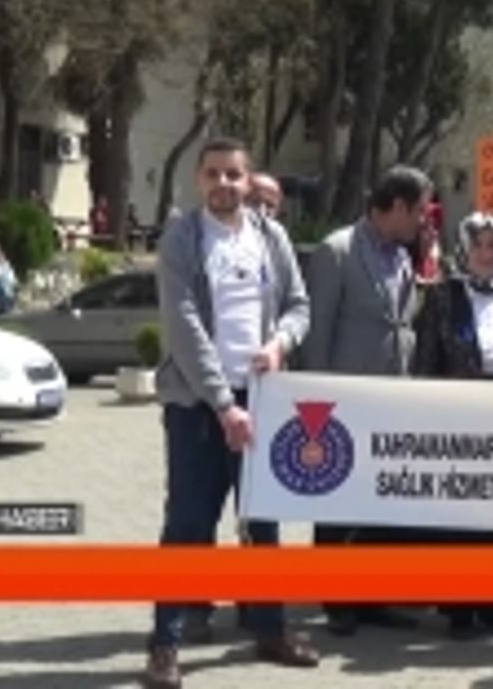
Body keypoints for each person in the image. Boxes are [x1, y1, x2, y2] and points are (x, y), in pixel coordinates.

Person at [142, 137, 318, 689]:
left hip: (262, 399)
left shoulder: (271, 237)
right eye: (213, 174)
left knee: (263, 522)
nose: (223, 184)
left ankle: (270, 629)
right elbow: (184, 327)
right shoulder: (182, 239)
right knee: (188, 523)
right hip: (198, 406)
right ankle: (165, 644)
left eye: (233, 174)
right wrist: (224, 405)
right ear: (199, 180)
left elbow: (299, 305)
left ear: (248, 180)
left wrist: (280, 343)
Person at [302, 165, 432, 637]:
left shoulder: (402, 255)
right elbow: (318, 332)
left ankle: (373, 597)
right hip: (343, 401)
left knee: (381, 502)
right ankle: (337, 600)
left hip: (392, 401)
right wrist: (317, 405)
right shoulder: (337, 251)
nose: (424, 220)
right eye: (419, 211)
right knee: (337, 504)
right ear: (397, 206)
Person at [411, 211, 493, 639]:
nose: (487, 254)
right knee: (462, 514)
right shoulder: (443, 295)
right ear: (464, 250)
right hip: (458, 414)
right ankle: (461, 608)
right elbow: (426, 360)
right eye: (479, 246)